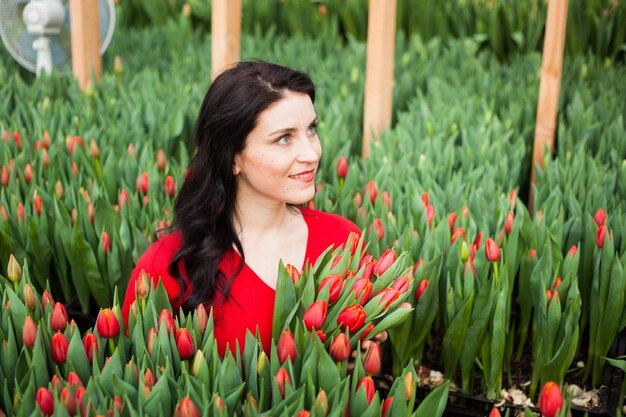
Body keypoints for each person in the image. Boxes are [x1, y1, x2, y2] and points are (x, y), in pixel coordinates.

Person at [121, 60, 364, 357]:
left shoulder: (342, 241)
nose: (312, 153)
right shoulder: (168, 267)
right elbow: (134, 380)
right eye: (284, 138)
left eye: (311, 129)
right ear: (232, 157)